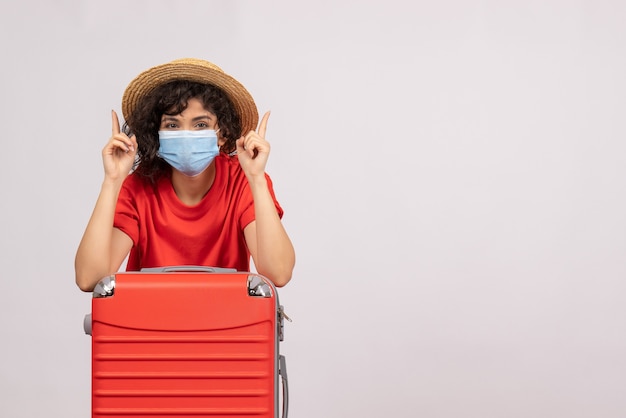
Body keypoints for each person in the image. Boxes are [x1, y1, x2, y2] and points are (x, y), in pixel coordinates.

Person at [75, 58, 295, 291]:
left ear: (222, 134)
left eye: (200, 125)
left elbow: (278, 273)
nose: (186, 135)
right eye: (172, 125)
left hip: (228, 322)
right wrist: (112, 181)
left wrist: (257, 179)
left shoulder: (243, 181)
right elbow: (90, 278)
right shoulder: (137, 187)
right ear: (156, 133)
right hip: (149, 323)